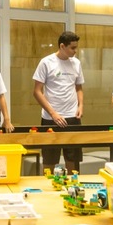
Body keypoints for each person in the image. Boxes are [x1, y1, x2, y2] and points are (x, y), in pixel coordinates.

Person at [33, 31, 84, 173]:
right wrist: (53, 113)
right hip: (51, 118)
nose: (75, 51)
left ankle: (73, 187)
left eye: (76, 47)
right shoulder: (46, 62)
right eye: (72, 48)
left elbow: (79, 87)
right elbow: (37, 91)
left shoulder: (76, 63)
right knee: (49, 159)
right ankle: (47, 188)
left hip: (73, 117)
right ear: (62, 46)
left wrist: (80, 105)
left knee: (73, 159)